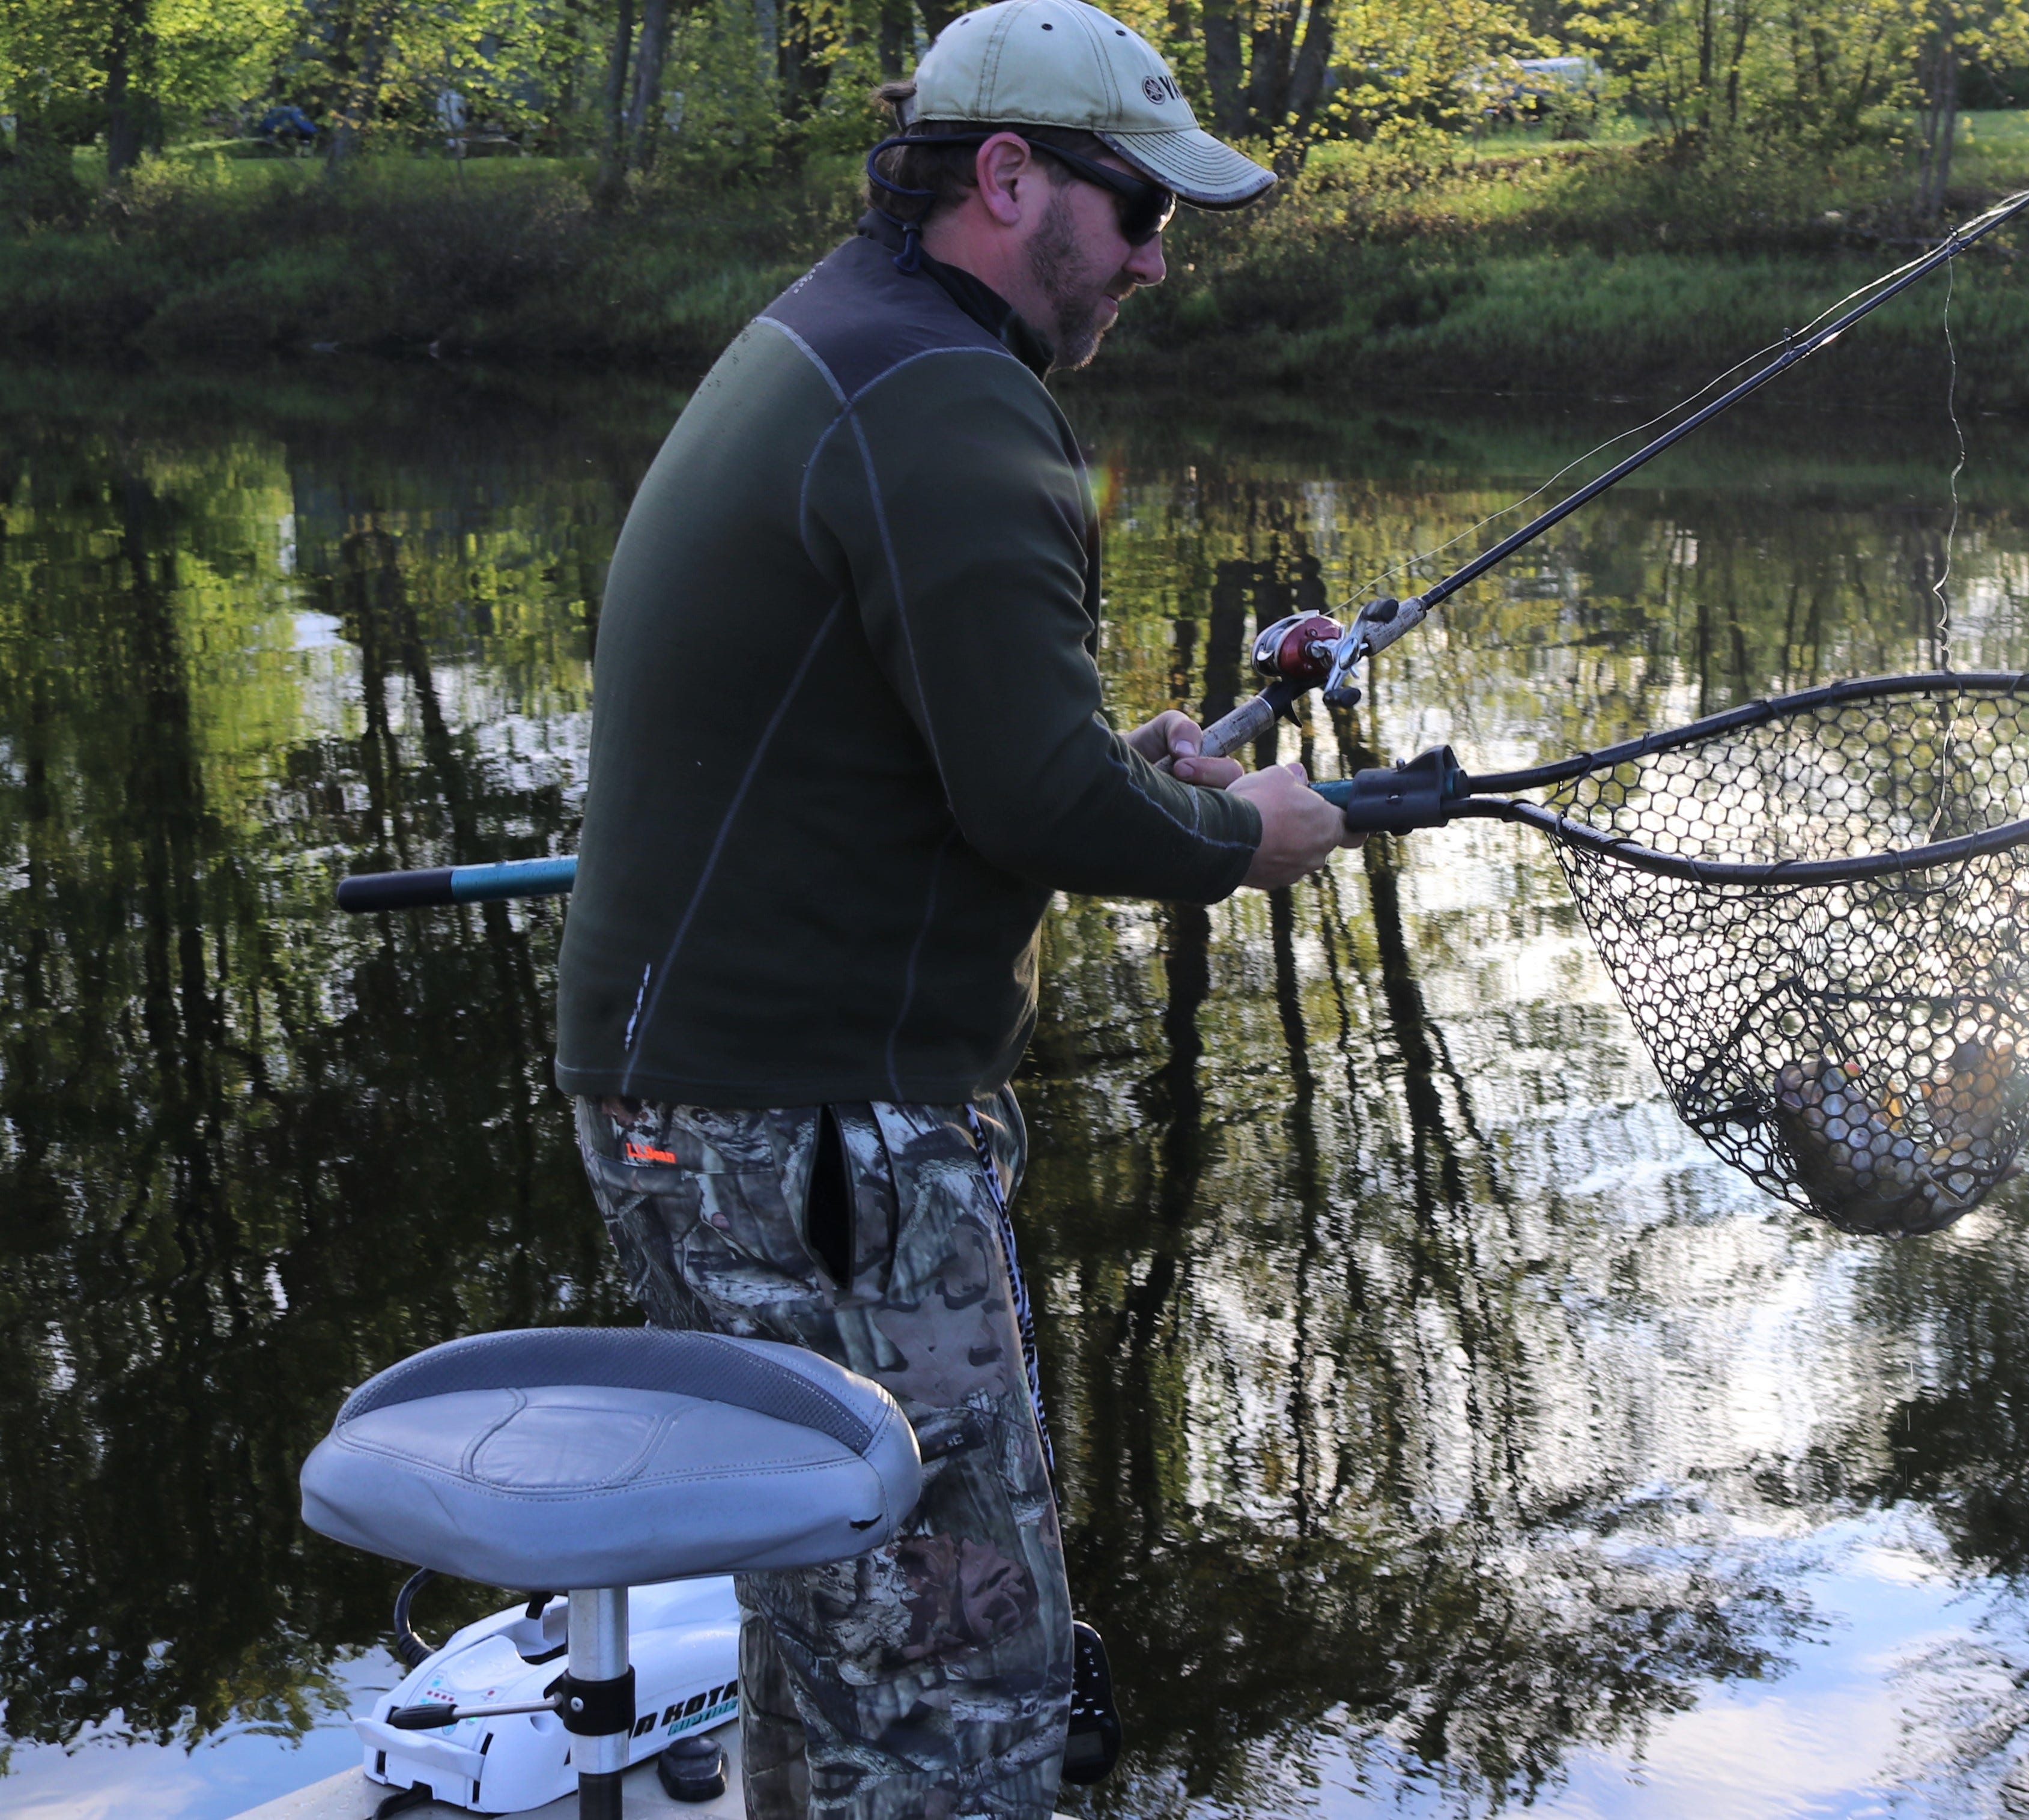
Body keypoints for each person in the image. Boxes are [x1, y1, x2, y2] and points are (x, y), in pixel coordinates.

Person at [547, 2, 1344, 1812]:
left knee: (839, 1618)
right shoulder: (946, 390)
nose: (1154, 262)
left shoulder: (835, 337)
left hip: (714, 1105)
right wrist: (1249, 834)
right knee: (955, 1661)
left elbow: (962, 741)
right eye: (1137, 211)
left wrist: (1124, 764)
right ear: (1005, 176)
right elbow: (1036, 801)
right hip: (813, 1129)